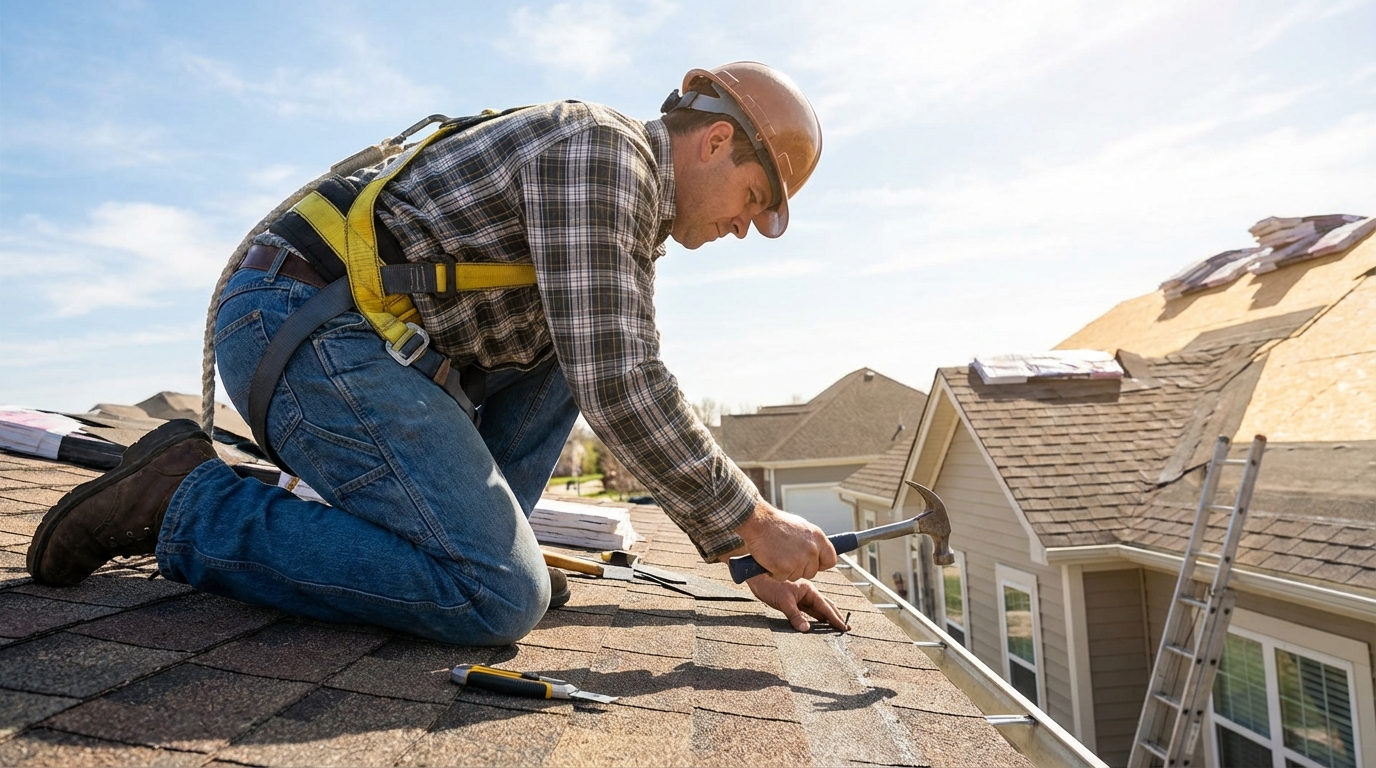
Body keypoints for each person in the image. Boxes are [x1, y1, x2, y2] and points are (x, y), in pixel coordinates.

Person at [27, 62, 847, 645]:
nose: (746, 226)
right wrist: (757, 519)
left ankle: (476, 545)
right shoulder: (605, 156)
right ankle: (183, 503)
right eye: (755, 200)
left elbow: (612, 364)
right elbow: (622, 382)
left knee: (582, 343)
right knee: (497, 599)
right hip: (301, 323)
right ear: (712, 143)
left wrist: (745, 558)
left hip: (355, 340)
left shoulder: (620, 207)